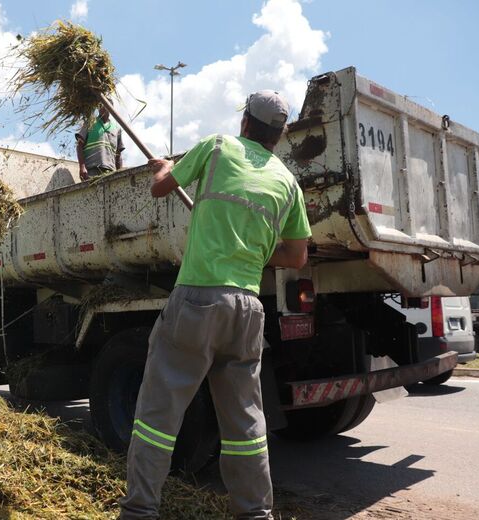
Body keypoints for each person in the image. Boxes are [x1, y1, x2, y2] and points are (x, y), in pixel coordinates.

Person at [119, 91, 312, 520]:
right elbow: (297, 256)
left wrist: (164, 167)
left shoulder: (218, 146)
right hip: (247, 310)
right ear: (279, 136)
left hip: (198, 300)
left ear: (245, 123)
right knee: (245, 423)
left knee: (158, 413)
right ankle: (255, 513)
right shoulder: (287, 182)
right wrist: (254, 248)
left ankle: (139, 511)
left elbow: (160, 188)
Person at [75, 102, 125, 181]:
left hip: (111, 171)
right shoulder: (90, 122)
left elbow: (118, 154)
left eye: (105, 105)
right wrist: (82, 167)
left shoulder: (117, 129)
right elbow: (79, 146)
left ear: (111, 108)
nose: (102, 107)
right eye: (100, 105)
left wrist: (120, 173)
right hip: (91, 170)